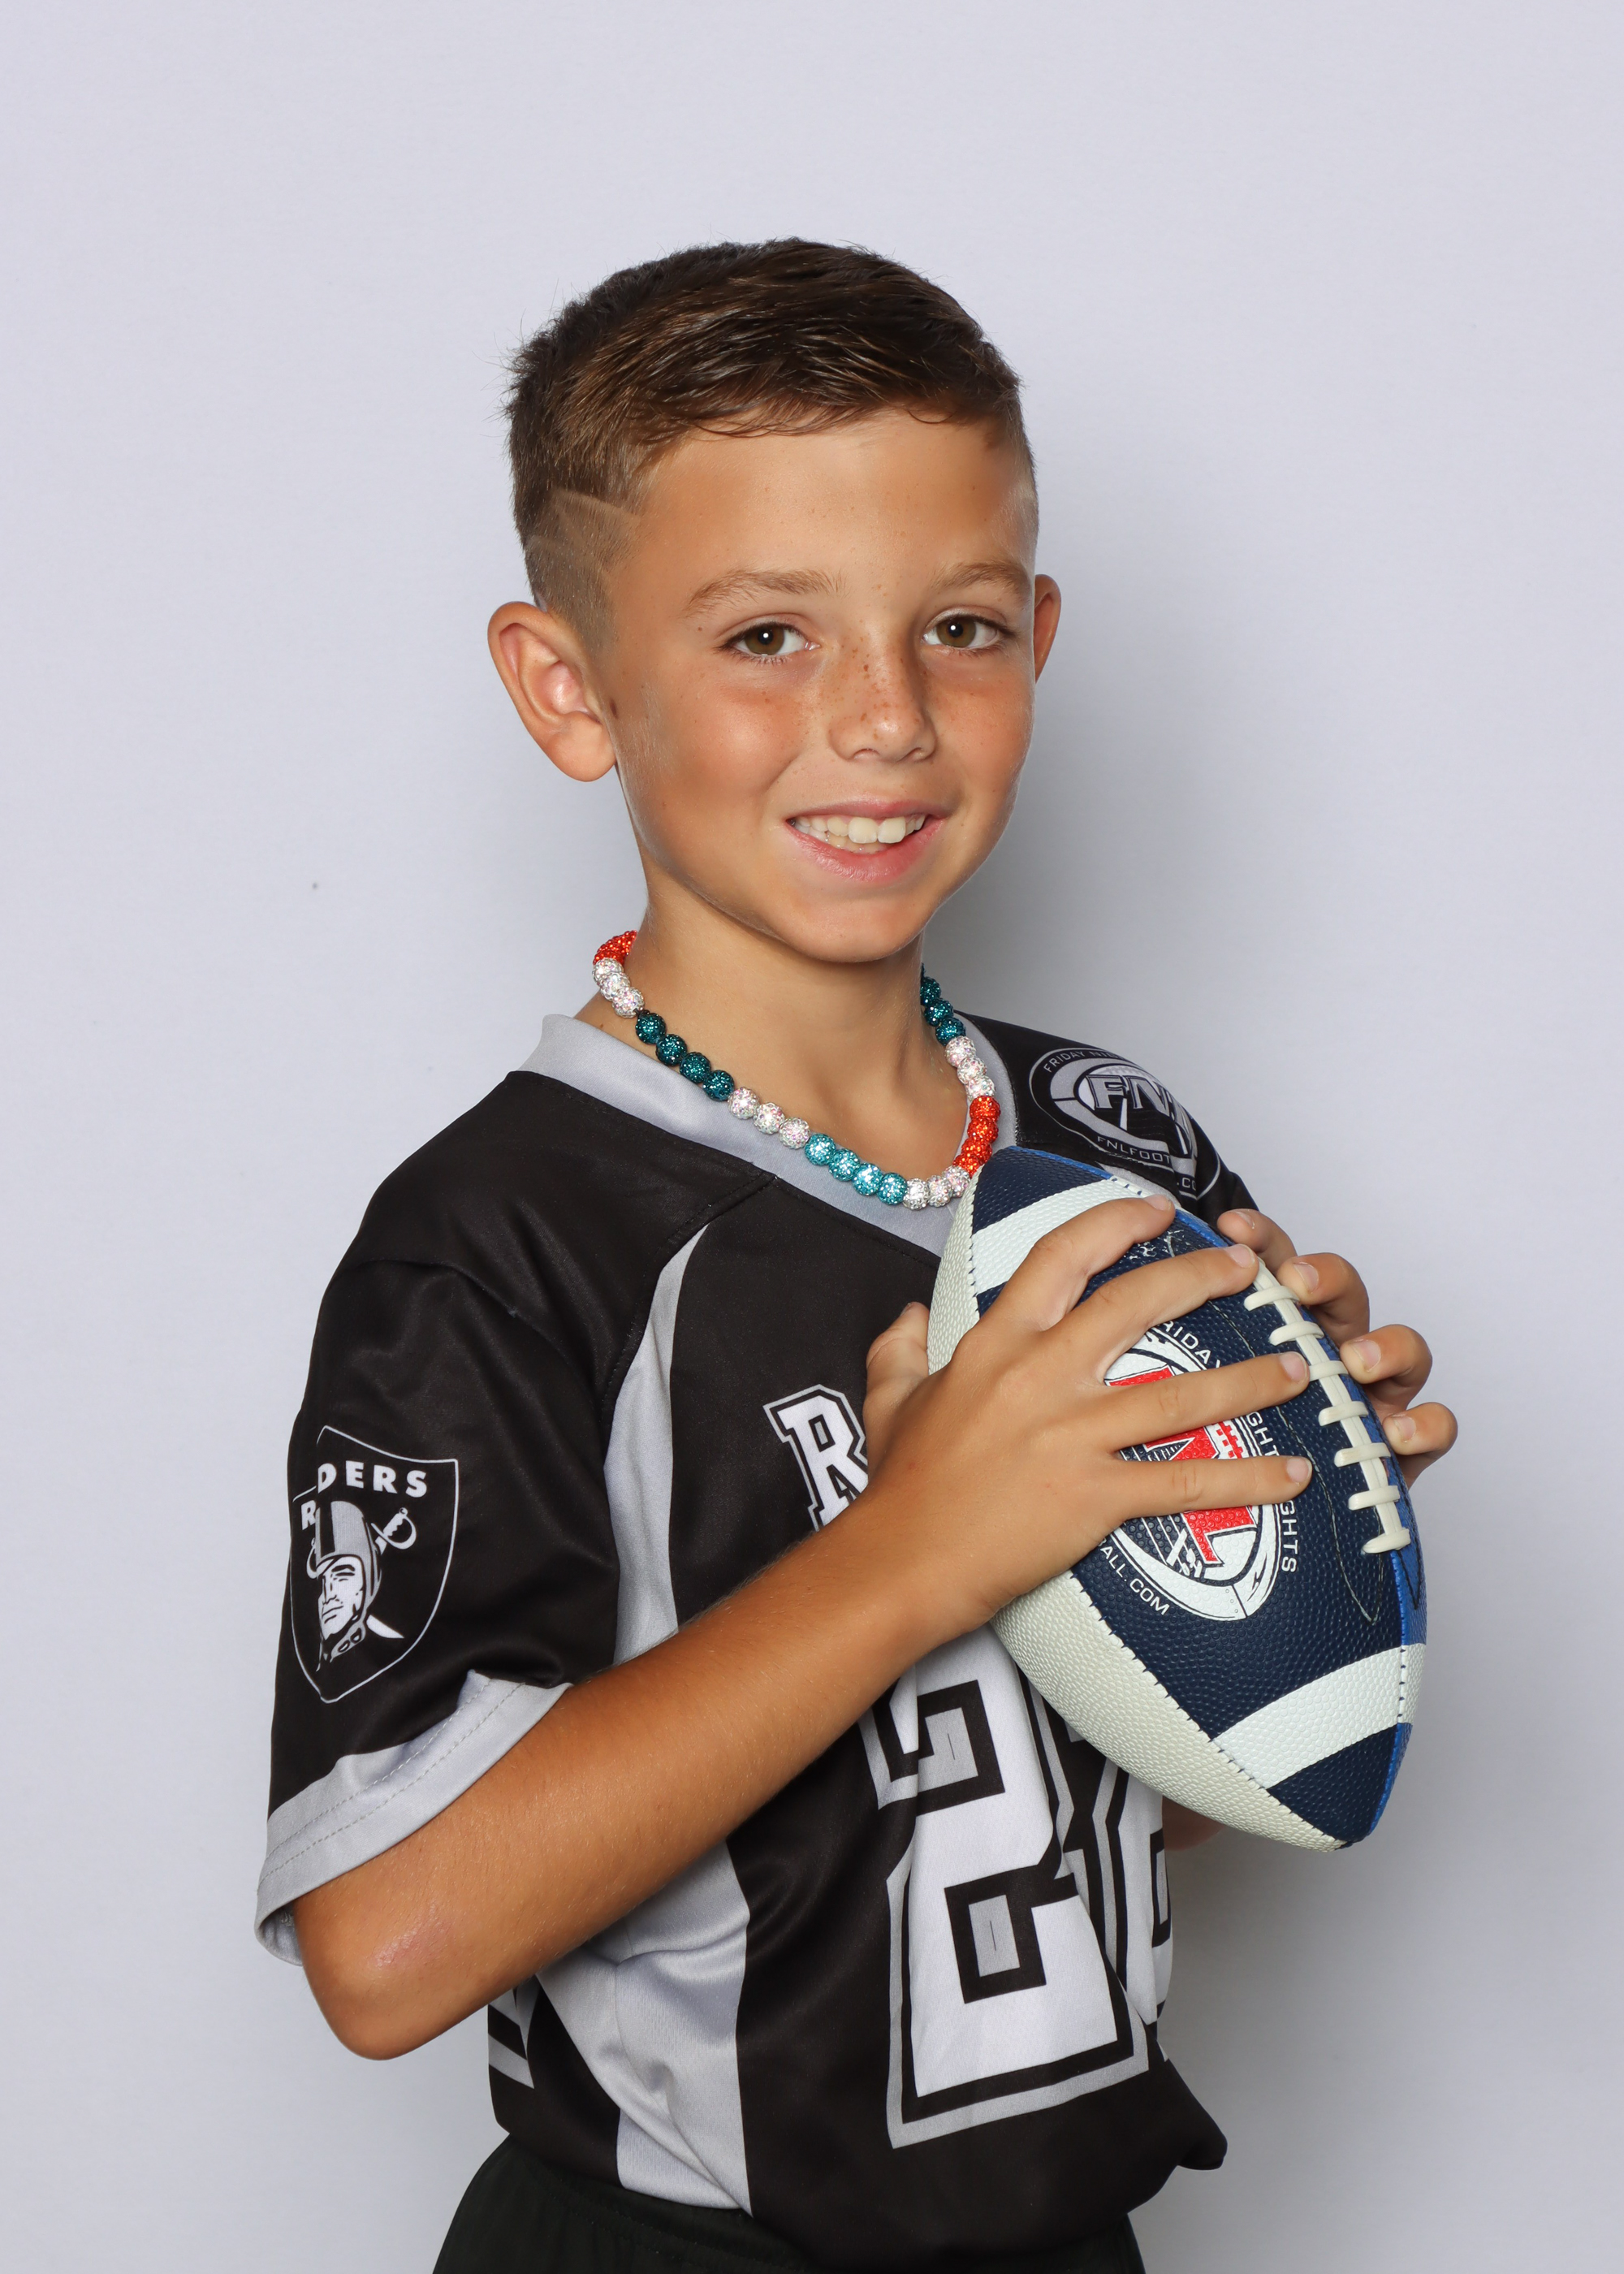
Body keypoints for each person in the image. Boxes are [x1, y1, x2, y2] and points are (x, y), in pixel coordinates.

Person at [257, 240, 1455, 2274]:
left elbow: (1119, 1796)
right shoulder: (507, 1235)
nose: (886, 717)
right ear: (568, 687)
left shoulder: (1115, 1145)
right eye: (765, 636)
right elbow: (389, 1942)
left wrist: (1270, 1532)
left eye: (959, 625)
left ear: (1038, 637)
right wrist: (925, 1544)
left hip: (1063, 2234)